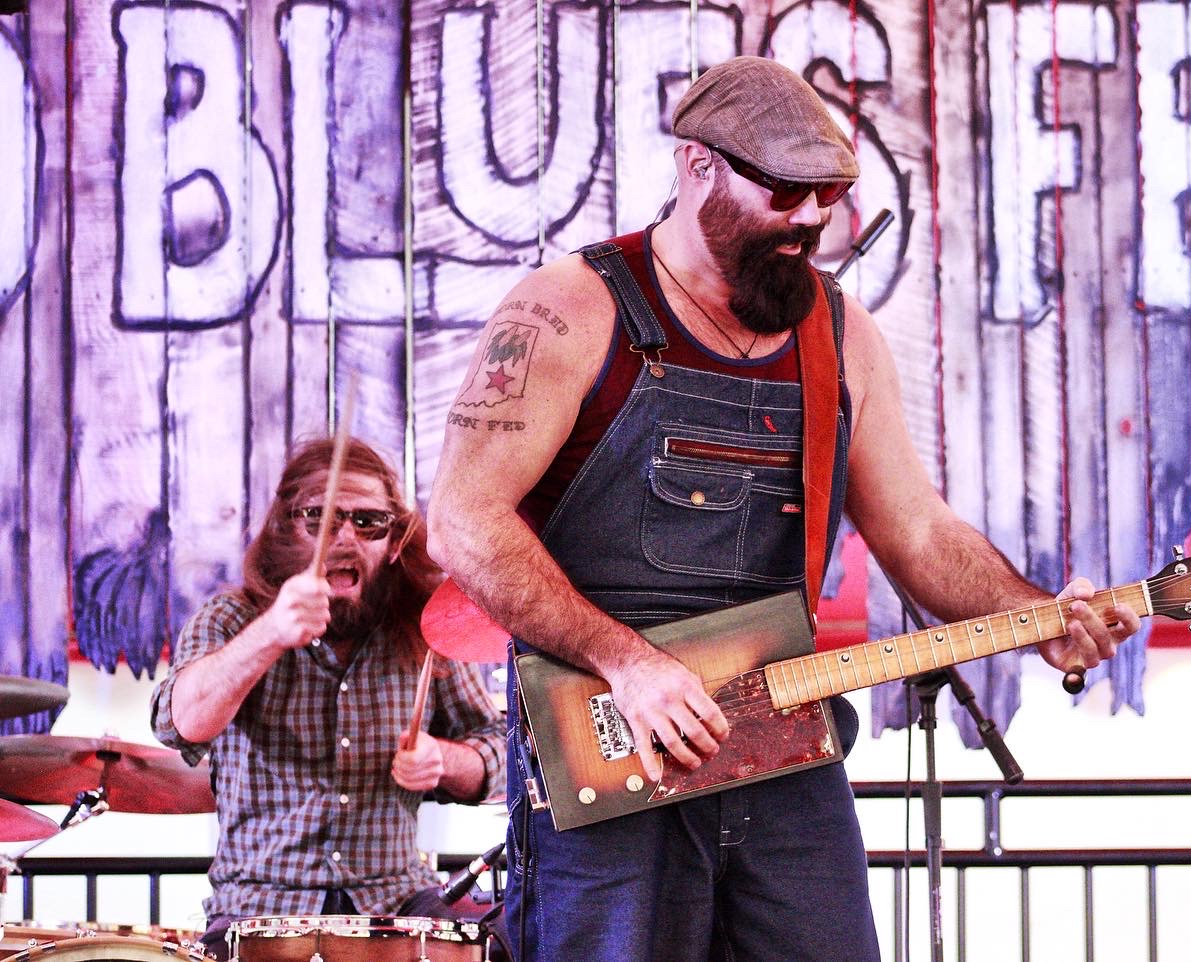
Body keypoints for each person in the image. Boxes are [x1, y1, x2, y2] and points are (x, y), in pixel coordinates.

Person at [426, 56, 1140, 961]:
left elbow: (918, 529)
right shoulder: (569, 309)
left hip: (784, 756)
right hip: (606, 750)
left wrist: (1034, 614)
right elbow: (463, 521)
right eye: (786, 192)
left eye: (829, 195)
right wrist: (628, 662)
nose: (811, 218)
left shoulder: (840, 335)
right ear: (698, 166)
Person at [151, 438, 506, 959]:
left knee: (506, 941)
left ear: (393, 542)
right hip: (260, 903)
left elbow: (501, 748)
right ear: (286, 528)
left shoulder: (422, 628)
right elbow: (179, 722)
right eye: (319, 518)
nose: (344, 538)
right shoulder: (231, 619)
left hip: (394, 898)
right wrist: (270, 633)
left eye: (369, 522)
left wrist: (446, 760)